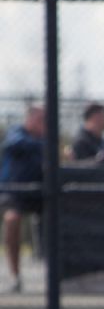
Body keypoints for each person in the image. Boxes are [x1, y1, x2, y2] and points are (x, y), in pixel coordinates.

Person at [0, 104, 44, 293]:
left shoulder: (44, 138)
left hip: (41, 192)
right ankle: (15, 276)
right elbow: (14, 144)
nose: (44, 123)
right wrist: (41, 144)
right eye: (41, 119)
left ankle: (56, 270)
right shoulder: (16, 133)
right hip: (15, 192)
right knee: (12, 219)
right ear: (30, 119)